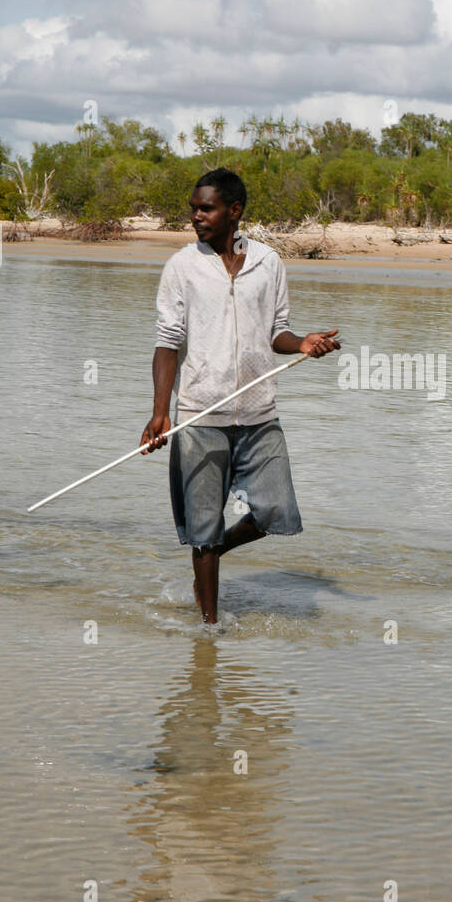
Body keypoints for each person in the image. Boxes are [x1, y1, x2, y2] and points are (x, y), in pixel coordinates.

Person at [141, 167, 339, 623]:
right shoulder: (181, 267)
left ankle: (213, 552)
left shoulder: (268, 263)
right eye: (193, 208)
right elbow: (167, 342)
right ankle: (210, 632)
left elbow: (277, 333)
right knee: (202, 530)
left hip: (258, 414)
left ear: (234, 212)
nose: (196, 216)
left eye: (206, 208)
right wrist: (159, 413)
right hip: (199, 417)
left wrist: (304, 343)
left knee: (274, 513)